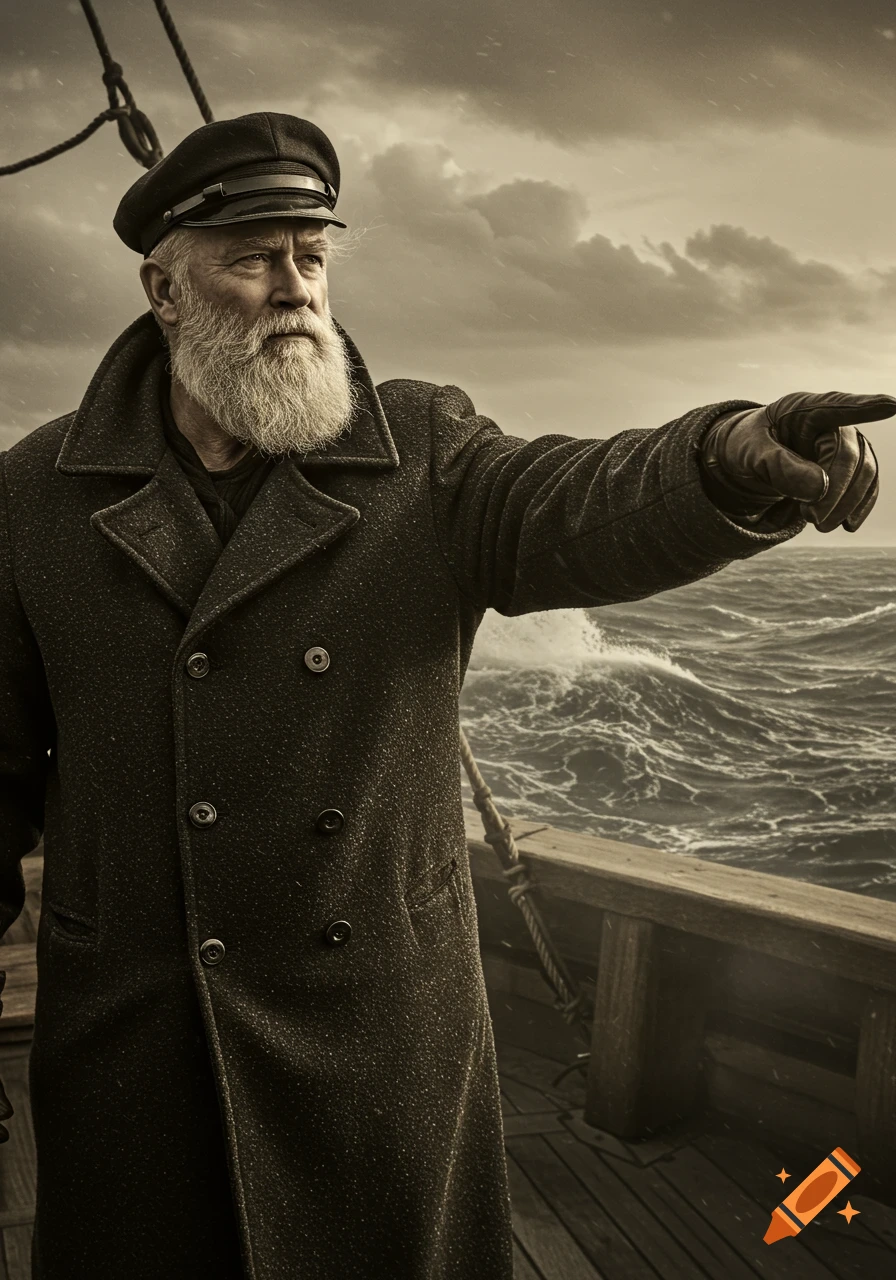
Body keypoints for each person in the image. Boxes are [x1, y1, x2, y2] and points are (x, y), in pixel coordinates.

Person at [0, 111, 888, 1280]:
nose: (294, 288)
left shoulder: (417, 446)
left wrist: (721, 456)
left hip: (372, 1035)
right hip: (134, 1044)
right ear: (163, 289)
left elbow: (572, 503)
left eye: (312, 255)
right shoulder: (35, 498)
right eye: (253, 256)